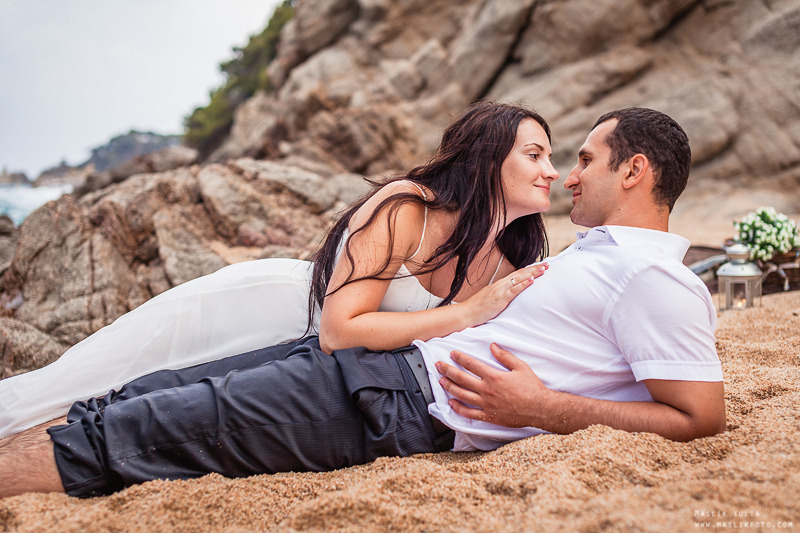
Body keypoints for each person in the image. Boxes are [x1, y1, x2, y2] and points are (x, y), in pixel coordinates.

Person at [0, 107, 725, 500]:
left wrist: (542, 409)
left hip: (400, 403)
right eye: (547, 157)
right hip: (375, 360)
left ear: (635, 170)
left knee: (147, 425)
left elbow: (700, 415)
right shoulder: (587, 253)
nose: (567, 176)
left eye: (585, 161)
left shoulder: (655, 278)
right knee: (143, 392)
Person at [0, 102, 554, 439]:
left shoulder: (507, 262)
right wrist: (464, 314)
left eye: (552, 157)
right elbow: (342, 330)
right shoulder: (408, 207)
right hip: (257, 311)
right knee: (81, 383)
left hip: (294, 360)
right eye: (535, 155)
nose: (550, 170)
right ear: (486, 158)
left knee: (144, 411)